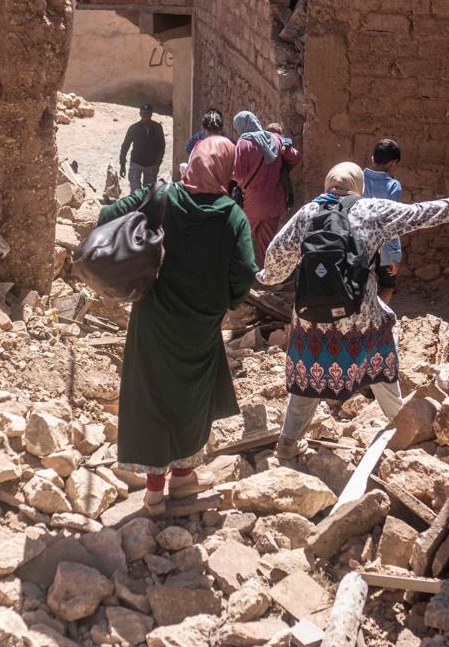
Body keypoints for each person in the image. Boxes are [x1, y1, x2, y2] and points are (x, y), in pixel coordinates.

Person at [257, 162, 449, 460]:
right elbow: (421, 214)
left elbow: (275, 264)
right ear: (358, 185)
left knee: (306, 382)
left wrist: (263, 278)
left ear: (329, 183)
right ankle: (408, 432)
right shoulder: (372, 211)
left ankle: (288, 444)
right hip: (360, 317)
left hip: (311, 320)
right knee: (381, 369)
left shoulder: (307, 213)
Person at [97, 136, 259, 515]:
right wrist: (227, 302)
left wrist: (143, 245)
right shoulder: (231, 214)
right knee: (192, 398)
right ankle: (183, 476)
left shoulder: (162, 198)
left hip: (153, 316)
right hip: (201, 324)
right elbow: (245, 271)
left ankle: (156, 491)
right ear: (226, 169)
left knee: (152, 395)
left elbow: (107, 218)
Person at [232, 110, 299, 269]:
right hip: (274, 202)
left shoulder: (244, 143)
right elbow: (295, 156)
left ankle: (241, 276)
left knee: (241, 240)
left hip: (252, 204)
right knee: (268, 244)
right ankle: (268, 278)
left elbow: (237, 173)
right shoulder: (274, 138)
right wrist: (282, 168)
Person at [363, 139, 403, 305]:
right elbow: (392, 223)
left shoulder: (359, 178)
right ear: (394, 163)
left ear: (373, 159)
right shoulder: (394, 186)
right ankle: (378, 320)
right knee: (387, 284)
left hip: (361, 244)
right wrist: (394, 255)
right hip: (383, 247)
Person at [120, 104, 166, 192]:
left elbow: (161, 146)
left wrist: (157, 163)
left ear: (151, 115)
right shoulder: (133, 128)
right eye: (144, 115)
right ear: (140, 114)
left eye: (148, 115)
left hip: (151, 165)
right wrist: (122, 164)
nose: (146, 117)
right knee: (135, 193)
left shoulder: (157, 128)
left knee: (148, 193)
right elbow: (125, 146)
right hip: (136, 163)